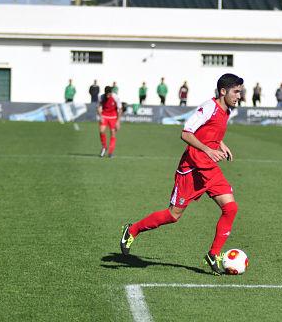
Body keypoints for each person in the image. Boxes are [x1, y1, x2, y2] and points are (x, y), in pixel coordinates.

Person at [120, 73, 244, 275]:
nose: (239, 96)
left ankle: (213, 254)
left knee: (230, 208)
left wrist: (221, 144)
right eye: (236, 91)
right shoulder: (209, 107)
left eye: (240, 91)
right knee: (173, 215)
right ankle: (132, 230)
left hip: (210, 168)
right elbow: (186, 133)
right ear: (223, 91)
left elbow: (210, 131)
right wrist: (208, 150)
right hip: (192, 168)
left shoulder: (226, 109)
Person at [98, 86, 122, 158]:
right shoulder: (101, 97)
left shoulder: (115, 97)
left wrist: (118, 121)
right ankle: (104, 147)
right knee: (101, 131)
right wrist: (101, 117)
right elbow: (99, 108)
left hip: (113, 116)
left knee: (113, 133)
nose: (108, 96)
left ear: (111, 93)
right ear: (105, 93)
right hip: (104, 115)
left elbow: (120, 109)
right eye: (107, 94)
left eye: (110, 94)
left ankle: (110, 152)